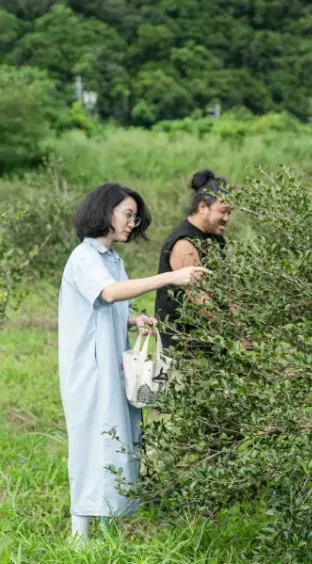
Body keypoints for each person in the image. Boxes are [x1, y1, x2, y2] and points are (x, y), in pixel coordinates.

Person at [58, 183, 210, 543]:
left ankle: (107, 526)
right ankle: (79, 538)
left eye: (135, 217)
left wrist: (134, 320)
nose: (132, 223)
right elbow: (109, 293)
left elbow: (107, 307)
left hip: (112, 367)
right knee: (90, 444)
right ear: (105, 212)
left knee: (116, 441)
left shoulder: (112, 260)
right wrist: (170, 276)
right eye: (127, 214)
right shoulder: (84, 257)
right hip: (89, 370)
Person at [155, 169, 233, 351]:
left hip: (214, 338)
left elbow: (228, 289)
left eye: (230, 212)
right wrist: (235, 329)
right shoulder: (184, 243)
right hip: (184, 345)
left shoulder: (217, 239)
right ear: (203, 207)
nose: (227, 218)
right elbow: (199, 298)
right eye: (223, 211)